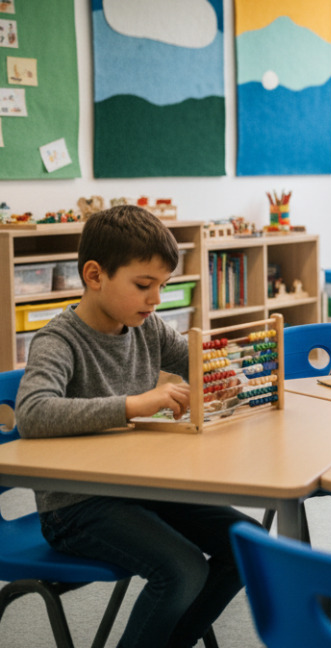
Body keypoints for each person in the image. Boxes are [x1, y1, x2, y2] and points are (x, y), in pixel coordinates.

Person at [15, 205, 259, 648]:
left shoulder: (146, 328)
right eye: (144, 286)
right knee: (183, 568)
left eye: (162, 287)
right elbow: (33, 412)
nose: (155, 299)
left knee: (249, 544)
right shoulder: (58, 340)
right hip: (75, 507)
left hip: (143, 488)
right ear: (95, 275)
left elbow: (199, 362)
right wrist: (131, 405)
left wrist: (229, 381)